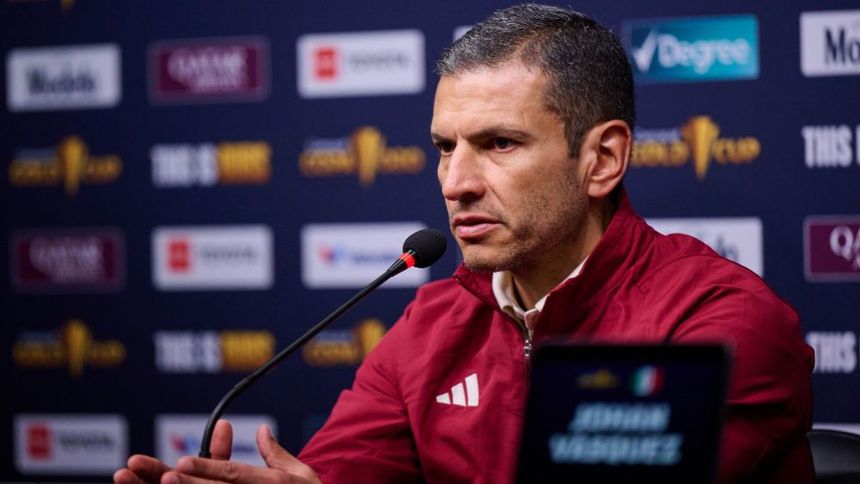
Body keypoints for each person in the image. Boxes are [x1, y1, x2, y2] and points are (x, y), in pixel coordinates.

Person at [115, 4, 814, 483]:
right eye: (445, 147)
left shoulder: (719, 322)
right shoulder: (431, 326)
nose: (456, 183)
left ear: (602, 160)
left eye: (499, 144)